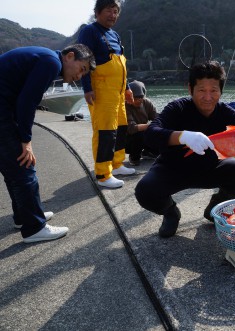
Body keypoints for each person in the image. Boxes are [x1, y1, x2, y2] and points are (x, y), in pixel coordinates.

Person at [135, 61, 235, 238]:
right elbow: (151, 134)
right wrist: (182, 136)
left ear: (221, 90)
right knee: (145, 191)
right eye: (202, 90)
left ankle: (215, 207)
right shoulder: (177, 108)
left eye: (214, 90)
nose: (208, 96)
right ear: (190, 89)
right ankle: (171, 212)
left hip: (212, 168)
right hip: (173, 168)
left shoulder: (229, 115)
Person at [0, 44, 96, 243]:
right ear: (70, 56)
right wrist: (25, 140)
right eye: (82, 69)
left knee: (13, 169)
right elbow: (27, 101)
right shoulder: (51, 62)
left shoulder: (45, 57)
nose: (81, 76)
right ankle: (34, 227)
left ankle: (24, 217)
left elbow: (21, 99)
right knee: (24, 165)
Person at [78, 0, 135, 189]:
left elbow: (121, 65)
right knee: (105, 132)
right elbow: (83, 60)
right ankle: (103, 173)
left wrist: (127, 88)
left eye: (116, 11)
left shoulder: (115, 34)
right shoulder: (89, 31)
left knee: (120, 128)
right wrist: (87, 88)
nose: (113, 15)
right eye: (109, 11)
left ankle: (117, 164)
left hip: (118, 91)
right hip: (101, 90)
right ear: (97, 12)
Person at [125, 80, 159, 166]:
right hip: (128, 139)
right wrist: (150, 126)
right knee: (139, 134)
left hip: (143, 133)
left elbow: (157, 118)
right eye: (136, 98)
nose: (139, 100)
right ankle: (134, 157)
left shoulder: (146, 103)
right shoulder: (125, 106)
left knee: (161, 131)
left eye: (141, 97)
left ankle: (149, 152)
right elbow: (131, 128)